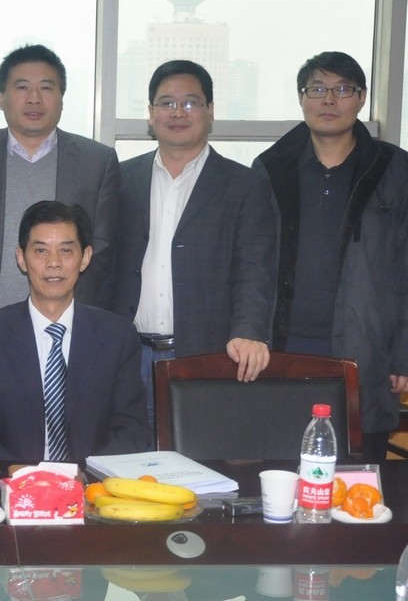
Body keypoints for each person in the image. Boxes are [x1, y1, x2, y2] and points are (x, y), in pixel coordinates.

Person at [254, 51, 408, 462]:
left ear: (361, 98)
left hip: (365, 351)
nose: (329, 100)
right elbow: (254, 262)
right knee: (281, 472)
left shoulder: (395, 169)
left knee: (358, 480)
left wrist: (403, 354)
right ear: (301, 98)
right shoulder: (271, 168)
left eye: (342, 90)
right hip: (284, 350)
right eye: (317, 89)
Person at [108, 59, 277, 430]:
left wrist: (250, 332)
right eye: (166, 103)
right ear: (150, 114)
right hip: (128, 355)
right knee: (125, 457)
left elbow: (255, 268)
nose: (178, 112)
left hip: (206, 355)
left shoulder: (244, 185)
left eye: (190, 102)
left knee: (200, 457)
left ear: (210, 111)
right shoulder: (121, 178)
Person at [0, 44, 119, 350]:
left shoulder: (97, 161)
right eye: (22, 87)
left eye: (46, 87)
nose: (34, 98)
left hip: (67, 325)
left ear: (61, 97)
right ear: (2, 97)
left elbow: (103, 245)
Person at [0, 201, 150, 461]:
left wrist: (85, 475)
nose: (53, 263)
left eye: (66, 250)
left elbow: (132, 428)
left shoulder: (117, 337)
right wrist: (22, 476)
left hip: (92, 480)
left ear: (85, 257)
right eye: (41, 251)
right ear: (21, 258)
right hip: (12, 479)